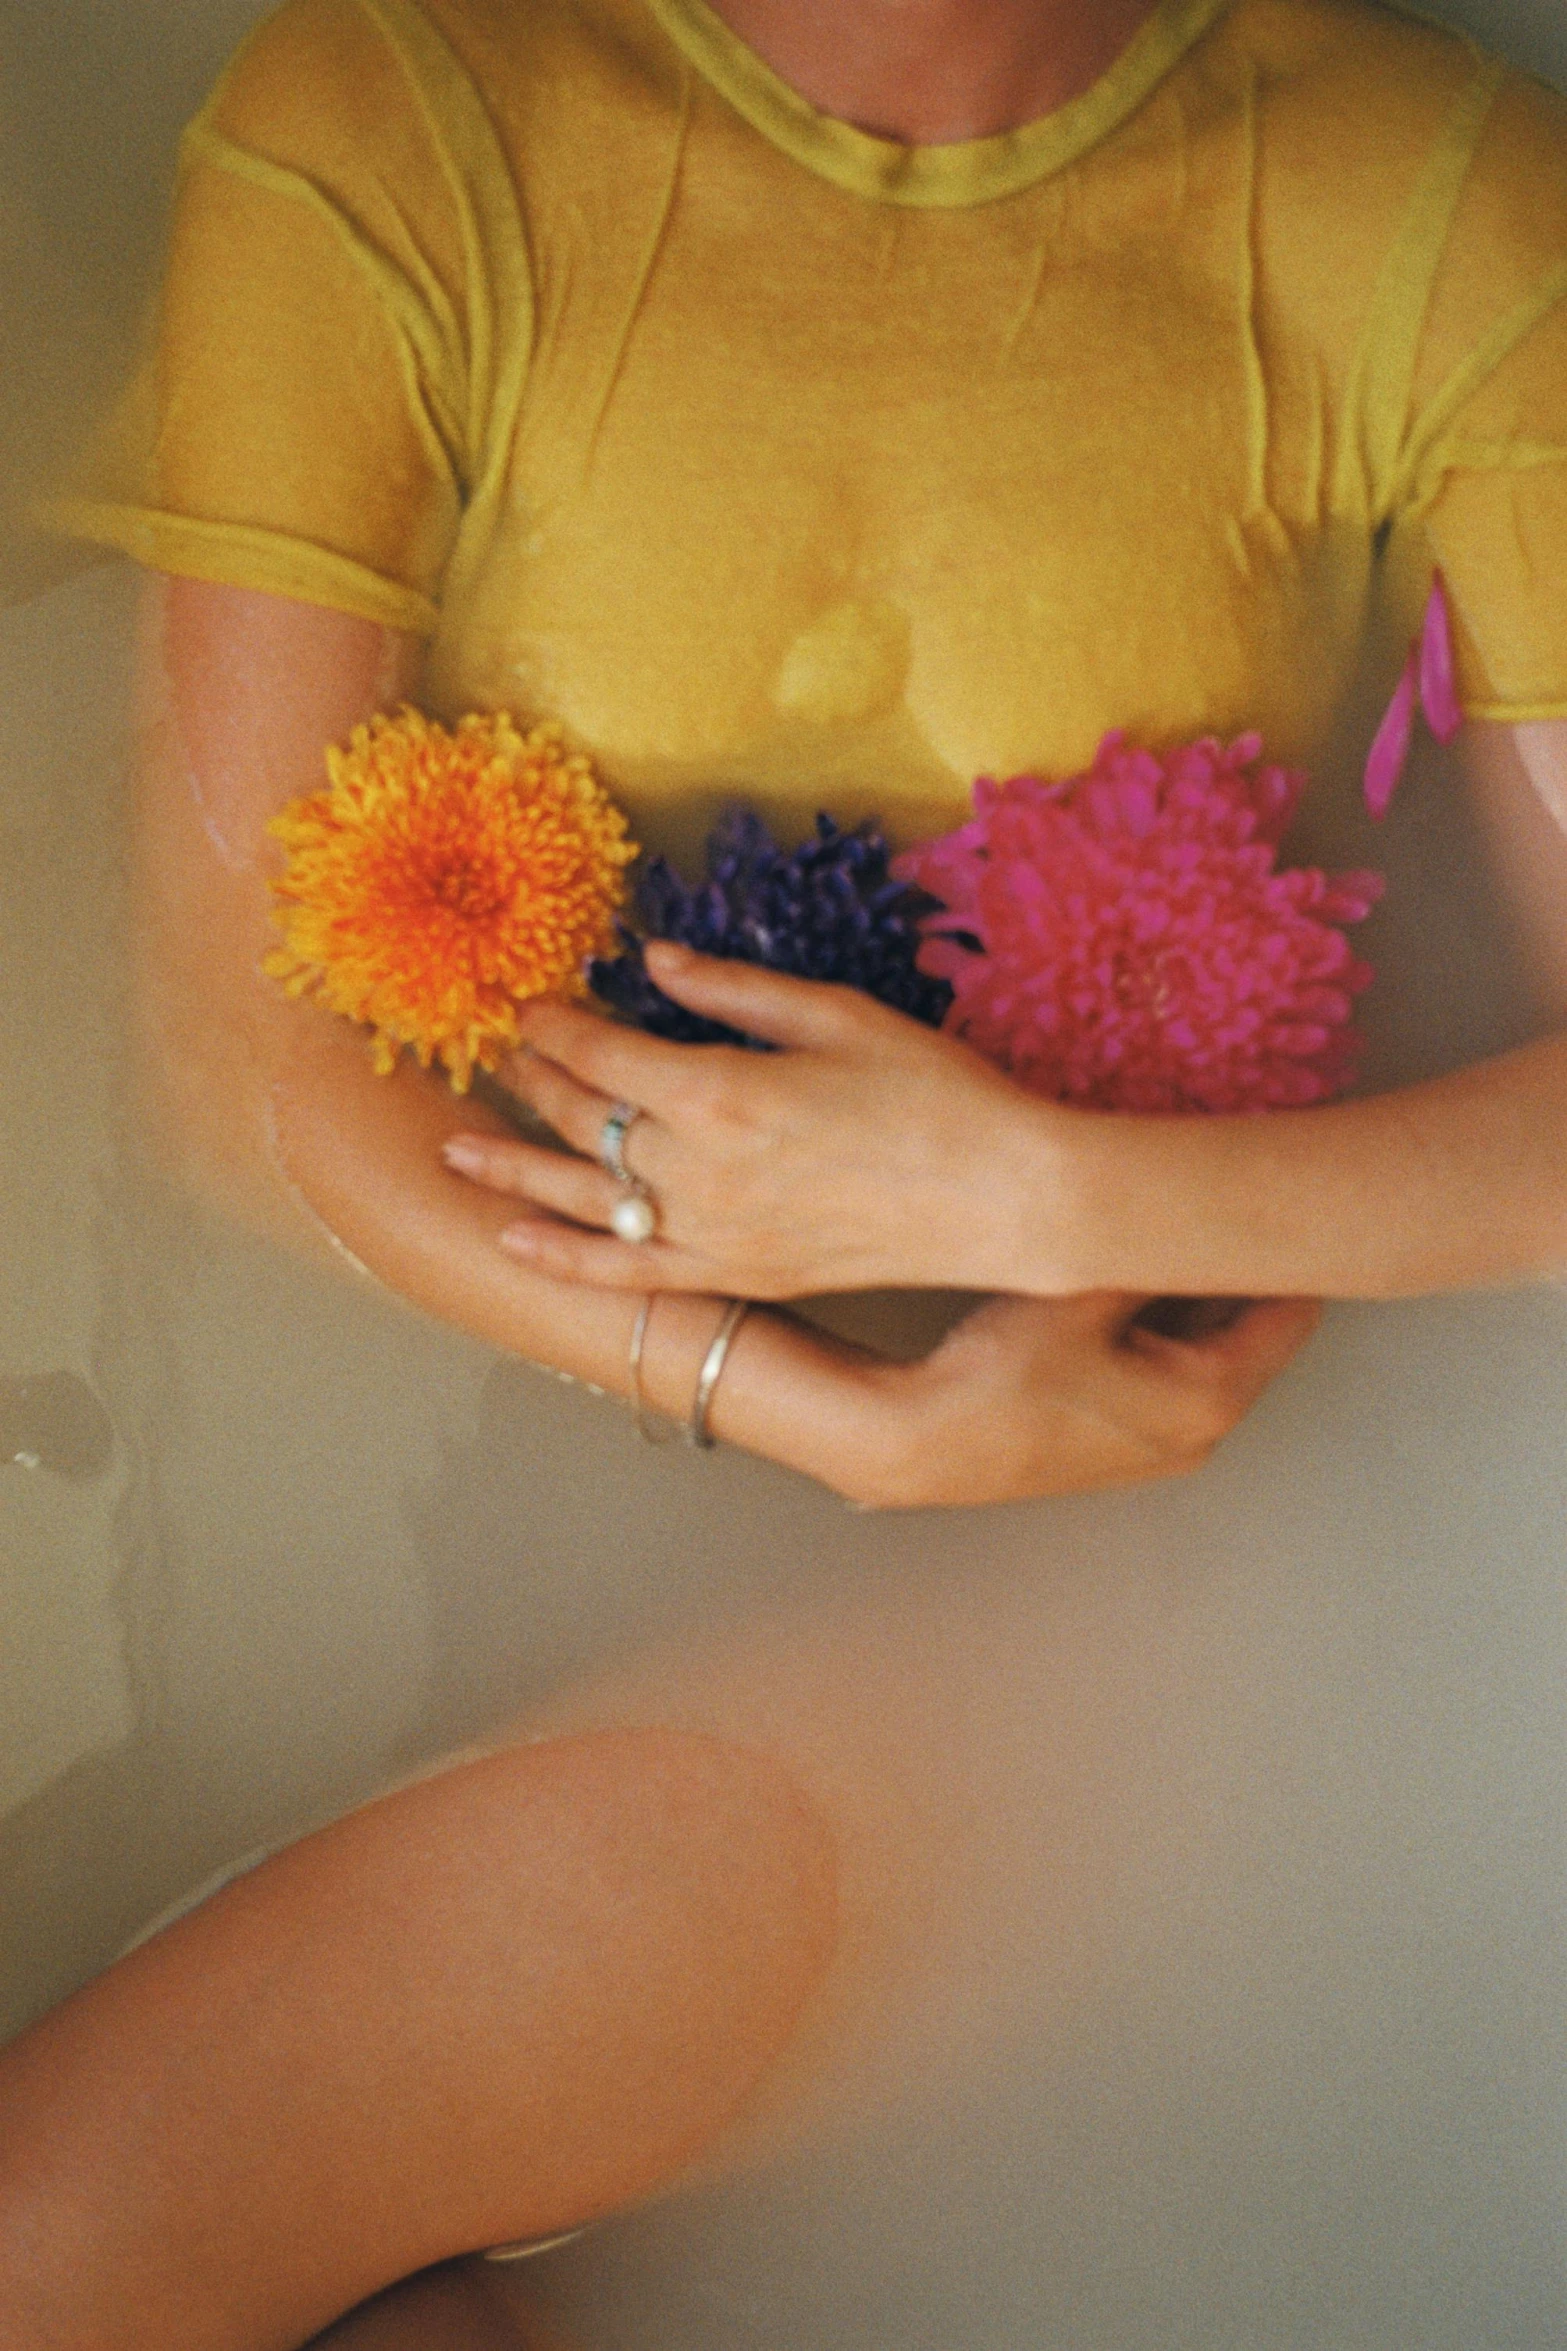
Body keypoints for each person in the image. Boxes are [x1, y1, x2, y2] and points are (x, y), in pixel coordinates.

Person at [5, 0, 1566, 2342]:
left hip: (1138, 1534)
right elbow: (244, 1071)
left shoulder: (1428, 197)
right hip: (498, 1436)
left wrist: (1031, 1207)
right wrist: (786, 1390)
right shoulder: (399, 116)